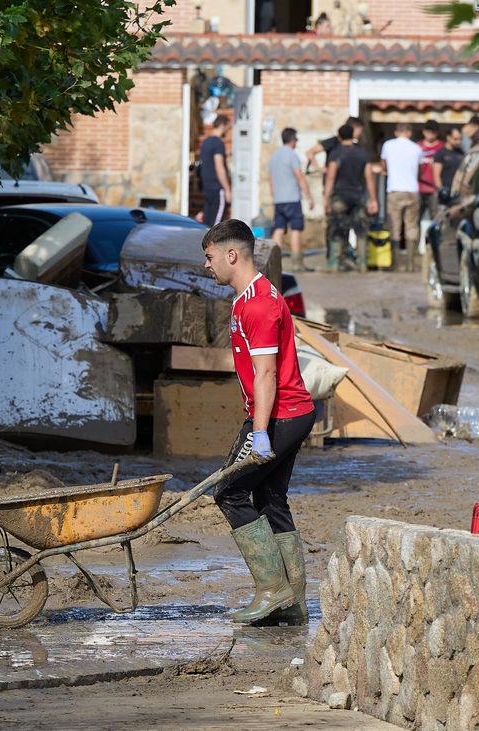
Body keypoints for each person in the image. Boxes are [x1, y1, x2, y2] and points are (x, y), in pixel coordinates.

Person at [200, 218, 315, 626]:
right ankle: (293, 603)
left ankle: (272, 589)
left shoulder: (260, 304)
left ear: (232, 255)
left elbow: (266, 374)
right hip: (286, 413)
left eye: (210, 257)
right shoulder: (245, 298)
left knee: (227, 492)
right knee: (270, 501)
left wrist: (260, 431)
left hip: (281, 416)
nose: (208, 266)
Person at [324, 124, 377, 271]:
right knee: (361, 230)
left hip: (340, 197)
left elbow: (330, 177)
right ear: (353, 135)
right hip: (359, 196)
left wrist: (326, 198)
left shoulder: (335, 153)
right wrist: (373, 199)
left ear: (339, 137)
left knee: (337, 229)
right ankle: (361, 263)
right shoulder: (363, 154)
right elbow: (369, 178)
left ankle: (334, 263)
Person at [268, 127, 315, 272]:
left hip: (279, 199)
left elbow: (270, 180)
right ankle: (297, 263)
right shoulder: (292, 155)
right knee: (296, 229)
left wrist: (274, 195)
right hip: (292, 198)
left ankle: (274, 263)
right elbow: (299, 176)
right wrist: (309, 196)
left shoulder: (274, 156)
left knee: (279, 228)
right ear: (293, 140)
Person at [381, 122, 423, 272]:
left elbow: (384, 166)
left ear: (396, 132)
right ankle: (410, 264)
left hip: (394, 189)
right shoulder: (417, 148)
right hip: (412, 190)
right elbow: (420, 171)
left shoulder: (388, 145)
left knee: (395, 226)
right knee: (411, 226)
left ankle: (396, 263)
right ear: (410, 133)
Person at [199, 115, 232, 225]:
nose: (228, 131)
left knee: (207, 223)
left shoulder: (205, 142)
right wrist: (227, 189)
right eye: (228, 128)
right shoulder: (219, 143)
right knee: (217, 226)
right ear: (222, 126)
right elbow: (219, 167)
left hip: (207, 187)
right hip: (218, 188)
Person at [417, 120, 444, 220]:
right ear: (424, 132)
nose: (431, 135)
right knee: (415, 219)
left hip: (435, 189)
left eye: (433, 133)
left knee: (436, 219)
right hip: (419, 188)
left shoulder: (441, 147)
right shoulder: (417, 147)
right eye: (428, 132)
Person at [433, 126, 465, 195]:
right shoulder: (440, 153)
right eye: (455, 139)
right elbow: (436, 175)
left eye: (460, 139)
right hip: (445, 192)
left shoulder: (461, 153)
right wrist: (441, 190)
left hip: (457, 192)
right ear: (448, 137)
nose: (458, 142)